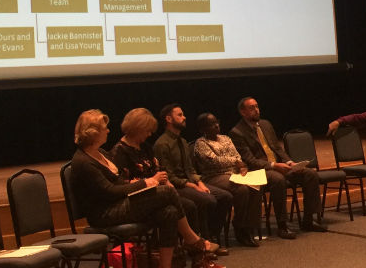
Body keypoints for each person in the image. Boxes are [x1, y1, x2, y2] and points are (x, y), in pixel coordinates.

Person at [69, 109, 220, 268]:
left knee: (169, 212)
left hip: (117, 204)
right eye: (104, 128)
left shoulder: (100, 153)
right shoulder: (83, 162)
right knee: (167, 192)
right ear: (93, 133)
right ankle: (191, 239)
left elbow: (119, 183)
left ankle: (166, 266)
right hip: (104, 213)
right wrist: (144, 183)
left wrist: (137, 184)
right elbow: (110, 191)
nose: (108, 131)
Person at [228, 97, 327, 239]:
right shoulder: (237, 132)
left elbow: (277, 148)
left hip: (280, 165)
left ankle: (308, 220)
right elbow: (250, 161)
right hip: (260, 171)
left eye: (257, 106)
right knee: (278, 179)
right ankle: (282, 225)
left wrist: (290, 162)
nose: (256, 110)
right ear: (242, 112)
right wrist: (274, 166)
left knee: (310, 174)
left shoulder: (265, 124)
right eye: (252, 108)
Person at [154, 104, 232, 254]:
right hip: (177, 186)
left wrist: (200, 183)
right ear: (169, 119)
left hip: (190, 182)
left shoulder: (183, 141)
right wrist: (193, 186)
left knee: (225, 197)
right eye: (180, 115)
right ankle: (203, 242)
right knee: (207, 200)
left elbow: (190, 169)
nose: (184, 118)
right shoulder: (162, 144)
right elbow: (169, 176)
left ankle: (212, 236)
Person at [110, 107, 200, 231]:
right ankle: (192, 238)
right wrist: (154, 180)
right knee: (182, 207)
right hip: (135, 200)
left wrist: (166, 182)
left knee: (181, 208)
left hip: (156, 193)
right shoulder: (119, 152)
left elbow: (158, 169)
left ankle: (190, 239)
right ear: (137, 128)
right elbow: (122, 185)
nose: (149, 134)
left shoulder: (145, 147)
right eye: (147, 130)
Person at [194, 112, 263, 247]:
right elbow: (214, 161)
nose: (216, 126)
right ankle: (239, 227)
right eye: (211, 124)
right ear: (203, 129)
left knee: (256, 186)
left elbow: (237, 156)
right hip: (214, 176)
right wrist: (236, 162)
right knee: (242, 190)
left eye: (217, 122)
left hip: (234, 174)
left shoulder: (226, 138)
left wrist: (241, 166)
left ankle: (249, 227)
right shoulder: (201, 143)